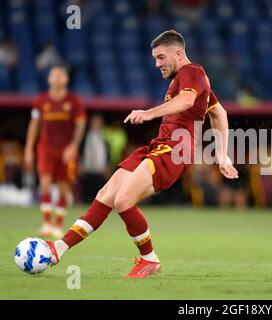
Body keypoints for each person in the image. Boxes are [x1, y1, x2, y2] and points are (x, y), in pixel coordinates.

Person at [45, 30, 238, 278]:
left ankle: (149, 259)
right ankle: (58, 248)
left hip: (175, 149)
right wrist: (222, 155)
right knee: (106, 195)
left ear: (179, 53)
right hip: (159, 145)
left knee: (123, 201)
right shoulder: (190, 79)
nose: (157, 64)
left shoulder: (194, 72)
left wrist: (148, 113)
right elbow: (219, 113)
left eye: (160, 57)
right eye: (155, 58)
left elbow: (187, 102)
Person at [24, 66, 86, 238]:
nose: (57, 78)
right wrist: (29, 148)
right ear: (49, 79)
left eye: (61, 75)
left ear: (66, 79)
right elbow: (34, 124)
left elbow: (81, 125)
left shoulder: (73, 101)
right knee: (44, 183)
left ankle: (58, 226)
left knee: (63, 187)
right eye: (54, 75)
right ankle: (46, 223)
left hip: (66, 150)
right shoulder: (41, 101)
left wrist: (73, 146)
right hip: (46, 148)